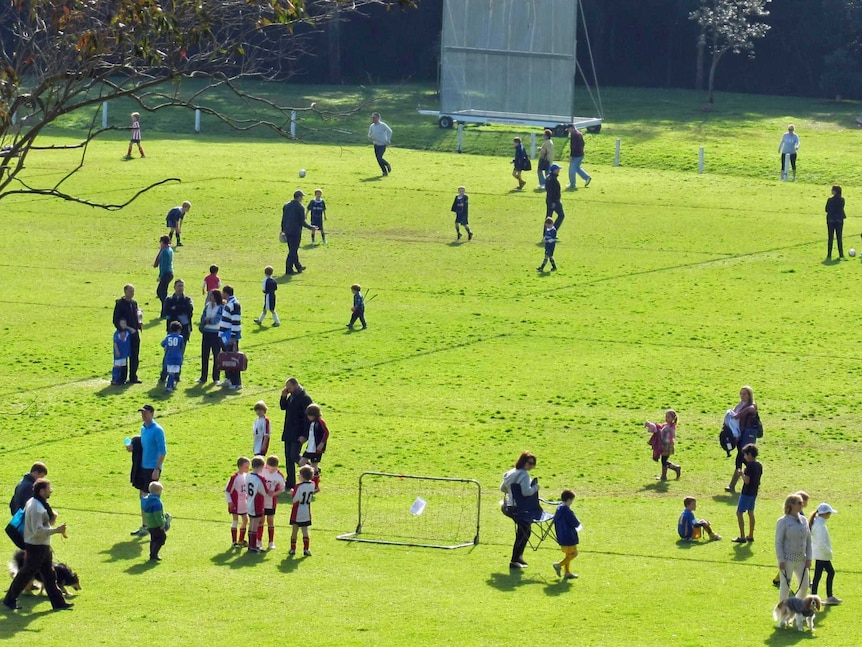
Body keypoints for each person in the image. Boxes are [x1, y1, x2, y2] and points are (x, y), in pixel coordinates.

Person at [3, 478, 73, 612]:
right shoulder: (36, 507)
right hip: (36, 546)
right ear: (41, 491)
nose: (51, 490)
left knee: (49, 575)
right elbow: (37, 531)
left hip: (41, 546)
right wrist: (56, 530)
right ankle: (9, 599)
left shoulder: (37, 503)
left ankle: (59, 603)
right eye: (48, 488)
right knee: (26, 573)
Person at [130, 404, 166, 537]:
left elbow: (163, 451)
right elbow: (142, 442)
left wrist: (157, 468)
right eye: (142, 413)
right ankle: (146, 525)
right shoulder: (143, 429)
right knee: (143, 496)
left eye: (145, 413)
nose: (143, 415)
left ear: (152, 413)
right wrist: (133, 445)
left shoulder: (157, 430)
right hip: (143, 467)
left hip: (152, 468)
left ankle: (157, 523)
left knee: (149, 498)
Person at [500, 451, 539, 569]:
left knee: (524, 531)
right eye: (530, 463)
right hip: (519, 508)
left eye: (533, 464)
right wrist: (536, 487)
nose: (531, 466)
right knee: (524, 532)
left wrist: (512, 493)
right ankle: (514, 560)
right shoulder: (524, 475)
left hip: (508, 506)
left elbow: (502, 489)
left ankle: (519, 557)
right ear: (523, 462)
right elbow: (526, 492)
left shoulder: (511, 472)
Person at [775, 492, 812, 602]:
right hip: (787, 559)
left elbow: (809, 540)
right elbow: (778, 542)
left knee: (804, 586)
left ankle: (795, 607)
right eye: (799, 503)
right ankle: (782, 613)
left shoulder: (804, 520)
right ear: (791, 505)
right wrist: (781, 560)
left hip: (802, 559)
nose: (802, 505)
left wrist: (809, 558)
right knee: (785, 587)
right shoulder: (783, 521)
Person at [724, 386, 759, 493]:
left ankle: (733, 485)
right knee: (743, 458)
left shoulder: (751, 405)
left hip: (748, 435)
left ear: (749, 395)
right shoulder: (739, 405)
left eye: (744, 394)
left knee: (742, 455)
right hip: (739, 434)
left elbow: (752, 409)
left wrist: (740, 414)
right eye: (741, 393)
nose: (742, 396)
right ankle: (754, 474)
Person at [280, 377, 313, 488]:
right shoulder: (292, 396)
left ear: (295, 385)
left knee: (294, 455)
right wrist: (283, 396)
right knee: (288, 458)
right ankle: (290, 483)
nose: (288, 390)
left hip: (298, 433)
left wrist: (305, 435)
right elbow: (283, 407)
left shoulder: (305, 398)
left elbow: (308, 419)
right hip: (289, 432)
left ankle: (311, 469)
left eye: (289, 388)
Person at [161, 279, 193, 383]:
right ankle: (164, 375)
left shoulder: (187, 299)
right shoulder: (169, 299)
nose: (180, 288)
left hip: (184, 331)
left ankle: (176, 376)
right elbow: (165, 312)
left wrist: (175, 308)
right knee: (168, 353)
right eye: (178, 286)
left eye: (182, 286)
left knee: (180, 354)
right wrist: (179, 309)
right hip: (171, 331)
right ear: (174, 287)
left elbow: (189, 311)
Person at [810, 502, 841, 605]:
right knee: (827, 573)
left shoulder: (817, 523)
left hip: (820, 553)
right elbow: (821, 543)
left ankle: (816, 597)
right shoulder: (820, 526)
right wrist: (829, 552)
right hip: (822, 554)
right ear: (825, 514)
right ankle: (825, 597)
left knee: (819, 575)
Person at [281, 190, 317, 275]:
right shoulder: (300, 207)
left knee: (292, 249)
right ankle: (288, 270)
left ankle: (298, 267)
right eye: (302, 197)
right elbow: (302, 222)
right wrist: (311, 227)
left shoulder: (286, 205)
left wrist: (282, 230)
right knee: (293, 251)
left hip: (287, 231)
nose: (302, 199)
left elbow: (283, 219)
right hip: (295, 232)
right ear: (299, 197)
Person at [112, 284, 142, 383]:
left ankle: (133, 377)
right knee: (124, 356)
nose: (132, 293)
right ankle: (122, 378)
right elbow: (116, 319)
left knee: (135, 355)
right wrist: (123, 330)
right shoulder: (120, 304)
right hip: (124, 334)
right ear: (125, 291)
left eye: (133, 291)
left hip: (134, 333)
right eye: (130, 291)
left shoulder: (134, 303)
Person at [732, 444, 761, 543]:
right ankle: (751, 535)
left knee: (739, 513)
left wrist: (741, 474)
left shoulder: (749, 467)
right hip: (754, 492)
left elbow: (747, 481)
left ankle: (742, 536)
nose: (744, 457)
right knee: (751, 512)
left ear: (749, 454)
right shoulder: (759, 465)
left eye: (745, 455)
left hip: (746, 493)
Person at [552, 489, 582, 580]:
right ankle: (558, 565)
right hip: (569, 537)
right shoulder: (567, 511)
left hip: (561, 536)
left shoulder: (559, 508)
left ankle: (567, 572)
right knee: (574, 554)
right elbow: (575, 523)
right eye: (572, 500)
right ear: (569, 500)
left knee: (568, 554)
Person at [300, 403, 330, 492]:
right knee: (302, 462)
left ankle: (315, 486)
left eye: (309, 415)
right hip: (310, 447)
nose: (308, 417)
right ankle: (313, 474)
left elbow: (326, 432)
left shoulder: (320, 422)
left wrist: (322, 443)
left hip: (317, 449)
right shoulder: (312, 423)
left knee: (314, 465)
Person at [645, 409, 681, 481]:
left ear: (673, 419)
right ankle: (666, 474)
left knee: (664, 460)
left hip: (668, 445)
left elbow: (671, 435)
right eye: (666, 416)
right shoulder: (665, 424)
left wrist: (664, 431)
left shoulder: (672, 427)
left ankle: (674, 469)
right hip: (663, 445)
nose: (666, 418)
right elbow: (659, 428)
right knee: (664, 460)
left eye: (668, 417)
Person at [218, 285, 242, 390]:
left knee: (233, 359)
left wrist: (233, 337)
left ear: (226, 293)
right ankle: (228, 380)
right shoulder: (230, 303)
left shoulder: (234, 304)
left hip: (229, 336)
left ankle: (236, 383)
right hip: (225, 335)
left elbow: (236, 321)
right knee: (227, 358)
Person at [197, 288, 223, 384]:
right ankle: (203, 377)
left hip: (216, 333)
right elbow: (203, 316)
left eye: (211, 295)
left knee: (216, 355)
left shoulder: (220, 307)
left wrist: (209, 320)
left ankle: (216, 377)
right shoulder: (207, 306)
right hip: (206, 332)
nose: (210, 297)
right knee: (204, 354)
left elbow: (217, 319)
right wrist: (205, 321)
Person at [289, 465, 315, 556]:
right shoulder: (312, 485)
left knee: (294, 530)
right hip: (306, 511)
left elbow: (295, 499)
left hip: (297, 510)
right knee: (305, 530)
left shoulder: (298, 486)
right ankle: (306, 549)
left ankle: (293, 549)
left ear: (301, 475)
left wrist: (292, 493)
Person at [262, 455, 286, 550]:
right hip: (262, 500)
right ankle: (258, 540)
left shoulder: (279, 475)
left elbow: (282, 488)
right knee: (261, 521)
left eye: (273, 469)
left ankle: (271, 541)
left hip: (271, 502)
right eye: (269, 468)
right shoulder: (262, 470)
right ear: (266, 465)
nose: (271, 471)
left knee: (270, 521)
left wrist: (275, 493)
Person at [225, 457, 250, 548]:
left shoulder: (246, 476)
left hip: (244, 502)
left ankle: (240, 540)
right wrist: (230, 502)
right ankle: (234, 541)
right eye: (246, 467)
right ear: (240, 466)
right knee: (235, 520)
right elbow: (228, 491)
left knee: (245, 519)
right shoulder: (234, 477)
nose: (247, 469)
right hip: (236, 503)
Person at [246, 456, 268, 553]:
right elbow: (264, 491)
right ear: (262, 467)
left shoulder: (248, 476)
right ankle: (253, 546)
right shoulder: (260, 478)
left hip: (250, 502)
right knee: (255, 524)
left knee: (251, 523)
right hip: (257, 503)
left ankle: (251, 544)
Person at [142, 481, 167, 561]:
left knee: (154, 539)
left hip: (150, 524)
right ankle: (154, 554)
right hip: (156, 524)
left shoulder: (148, 499)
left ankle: (152, 553)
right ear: (159, 492)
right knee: (161, 538)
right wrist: (162, 524)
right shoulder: (156, 502)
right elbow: (157, 515)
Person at [160, 321, 185, 392]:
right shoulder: (180, 337)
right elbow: (181, 347)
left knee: (171, 372)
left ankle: (171, 384)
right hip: (177, 357)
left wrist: (166, 347)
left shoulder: (168, 337)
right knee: (172, 373)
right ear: (179, 330)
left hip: (169, 357)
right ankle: (168, 386)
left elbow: (162, 344)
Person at [153, 235, 174, 317]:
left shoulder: (165, 252)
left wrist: (160, 276)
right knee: (161, 292)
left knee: (161, 293)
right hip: (169, 273)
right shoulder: (169, 249)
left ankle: (165, 311)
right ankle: (165, 311)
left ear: (162, 242)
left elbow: (164, 265)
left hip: (166, 274)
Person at [567, 125, 592, 190]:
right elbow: (583, 143)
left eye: (569, 129)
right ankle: (587, 178)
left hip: (576, 155)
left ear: (572, 128)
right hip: (580, 154)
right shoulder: (579, 133)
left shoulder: (574, 135)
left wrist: (571, 156)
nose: (568, 131)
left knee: (572, 170)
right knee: (577, 168)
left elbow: (573, 146)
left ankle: (572, 184)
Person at [368, 112, 393, 176]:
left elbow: (390, 131)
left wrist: (388, 140)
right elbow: (369, 134)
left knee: (379, 157)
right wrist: (370, 137)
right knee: (378, 160)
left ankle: (387, 164)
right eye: (372, 118)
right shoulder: (372, 126)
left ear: (378, 118)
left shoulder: (382, 125)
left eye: (374, 118)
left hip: (382, 144)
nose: (372, 119)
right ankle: (384, 172)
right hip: (376, 144)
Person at [825, 185, 846, 260]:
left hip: (831, 219)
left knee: (830, 237)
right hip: (839, 220)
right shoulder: (842, 200)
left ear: (835, 191)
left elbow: (826, 209)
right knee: (839, 237)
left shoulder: (830, 200)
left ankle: (829, 254)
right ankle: (841, 254)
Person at [545, 163, 564, 233]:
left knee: (548, 217)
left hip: (550, 200)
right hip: (554, 201)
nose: (559, 170)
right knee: (561, 215)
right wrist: (553, 202)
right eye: (558, 169)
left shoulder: (549, 178)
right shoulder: (552, 179)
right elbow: (551, 192)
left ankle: (546, 233)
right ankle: (553, 231)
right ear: (554, 170)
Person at [111, 319, 132, 385]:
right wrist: (117, 351)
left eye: (124, 323)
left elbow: (134, 331)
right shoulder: (117, 333)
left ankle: (120, 380)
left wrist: (127, 327)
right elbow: (115, 342)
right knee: (117, 365)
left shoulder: (127, 332)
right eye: (122, 323)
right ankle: (114, 379)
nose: (123, 325)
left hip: (124, 353)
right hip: (119, 352)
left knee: (122, 366)